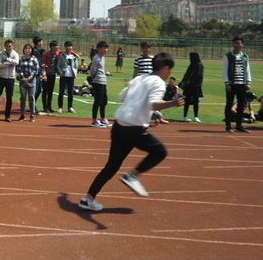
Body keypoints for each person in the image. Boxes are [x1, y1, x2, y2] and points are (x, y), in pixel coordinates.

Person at [78, 52, 185, 212]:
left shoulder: (139, 78)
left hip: (119, 126)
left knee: (111, 166)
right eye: (170, 69)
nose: (170, 73)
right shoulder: (158, 82)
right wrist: (173, 103)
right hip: (134, 129)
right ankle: (132, 175)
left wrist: (149, 112)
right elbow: (153, 104)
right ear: (165, 68)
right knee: (160, 152)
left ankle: (88, 198)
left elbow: (122, 98)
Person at [223, 36, 252, 133]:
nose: (237, 45)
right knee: (229, 104)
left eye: (239, 43)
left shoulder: (245, 56)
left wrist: (248, 82)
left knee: (241, 106)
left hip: (242, 84)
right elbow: (225, 70)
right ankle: (228, 126)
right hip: (231, 84)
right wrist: (227, 83)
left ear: (242, 45)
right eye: (235, 43)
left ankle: (239, 125)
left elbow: (247, 69)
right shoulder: (228, 56)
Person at [0, 39, 19, 122]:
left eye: (10, 46)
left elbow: (16, 62)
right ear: (4, 46)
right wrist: (10, 64)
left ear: (12, 46)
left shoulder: (15, 54)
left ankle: (7, 116)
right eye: (7, 46)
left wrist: (7, 60)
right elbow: (0, 65)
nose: (8, 48)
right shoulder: (0, 54)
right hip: (1, 77)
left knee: (9, 97)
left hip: (10, 78)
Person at [16, 43, 40, 122]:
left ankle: (32, 115)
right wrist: (24, 78)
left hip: (32, 80)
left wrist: (30, 78)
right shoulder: (21, 59)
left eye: (29, 48)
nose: (27, 50)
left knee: (31, 97)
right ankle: (22, 115)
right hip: (23, 80)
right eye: (26, 48)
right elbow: (18, 69)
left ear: (31, 50)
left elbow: (36, 70)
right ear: (24, 50)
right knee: (23, 97)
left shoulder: (34, 59)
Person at [90, 41, 110, 128]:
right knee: (97, 101)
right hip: (98, 82)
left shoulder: (102, 58)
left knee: (104, 101)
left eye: (106, 48)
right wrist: (94, 80)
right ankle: (94, 120)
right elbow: (92, 71)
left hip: (103, 82)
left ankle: (102, 119)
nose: (106, 50)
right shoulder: (96, 58)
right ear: (98, 48)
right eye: (104, 48)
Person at [180, 52, 204, 123]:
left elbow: (198, 75)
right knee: (187, 101)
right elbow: (186, 73)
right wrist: (183, 81)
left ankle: (196, 117)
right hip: (189, 86)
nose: (189, 58)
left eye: (190, 57)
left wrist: (190, 81)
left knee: (196, 101)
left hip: (196, 86)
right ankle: (185, 116)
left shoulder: (199, 65)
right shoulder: (191, 65)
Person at [56, 41, 78, 114]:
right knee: (61, 92)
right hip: (63, 76)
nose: (69, 47)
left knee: (70, 92)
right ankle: (60, 107)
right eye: (67, 46)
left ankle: (70, 107)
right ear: (65, 47)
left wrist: (75, 73)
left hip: (71, 77)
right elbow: (58, 65)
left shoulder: (74, 56)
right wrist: (61, 73)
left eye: (70, 46)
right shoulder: (61, 55)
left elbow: (76, 66)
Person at [41, 41, 61, 113]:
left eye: (58, 45)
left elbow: (68, 52)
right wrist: (44, 75)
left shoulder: (58, 53)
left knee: (50, 91)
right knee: (45, 91)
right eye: (56, 45)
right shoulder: (46, 54)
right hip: (46, 75)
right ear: (52, 47)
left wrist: (75, 54)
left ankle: (49, 106)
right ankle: (45, 107)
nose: (58, 47)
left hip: (53, 75)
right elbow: (43, 65)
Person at [31, 36, 45, 114]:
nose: (42, 43)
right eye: (41, 41)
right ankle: (33, 106)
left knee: (39, 90)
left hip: (40, 73)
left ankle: (32, 104)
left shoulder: (41, 51)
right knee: (35, 90)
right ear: (37, 43)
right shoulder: (33, 51)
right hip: (34, 73)